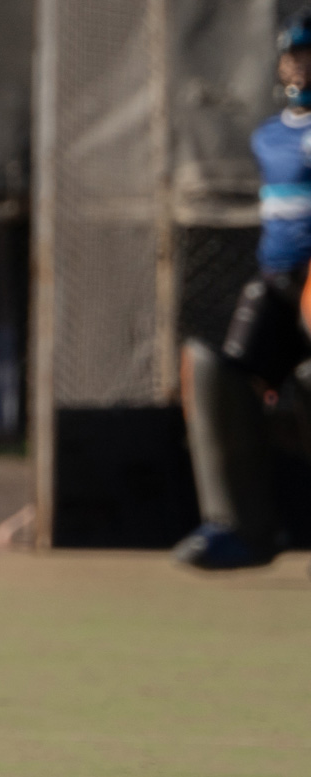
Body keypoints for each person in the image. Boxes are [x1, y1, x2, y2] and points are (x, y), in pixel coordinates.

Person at [174, 10, 311, 571]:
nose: (298, 64)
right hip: (279, 279)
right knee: (210, 368)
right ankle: (241, 526)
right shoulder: (269, 136)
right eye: (292, 54)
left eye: (308, 53)